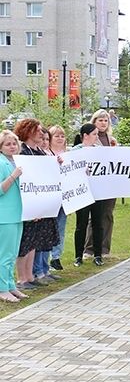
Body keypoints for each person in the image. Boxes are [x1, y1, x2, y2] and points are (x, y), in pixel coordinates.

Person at [15, 120, 59, 287]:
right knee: (25, 242)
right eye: (37, 130)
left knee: (33, 242)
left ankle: (30, 276)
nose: (41, 133)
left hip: (39, 203)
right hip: (28, 202)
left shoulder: (40, 151)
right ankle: (21, 278)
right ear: (28, 131)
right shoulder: (23, 152)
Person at [84, 109, 117, 258]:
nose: (103, 123)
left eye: (106, 120)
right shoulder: (90, 139)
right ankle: (90, 248)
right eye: (100, 120)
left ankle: (104, 248)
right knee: (94, 216)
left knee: (108, 214)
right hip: (94, 183)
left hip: (110, 183)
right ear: (94, 121)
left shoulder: (112, 140)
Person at [71, 124, 105, 267]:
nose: (97, 137)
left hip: (97, 191)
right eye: (95, 134)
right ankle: (78, 255)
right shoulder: (75, 151)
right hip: (82, 192)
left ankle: (98, 254)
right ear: (85, 135)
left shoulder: (100, 151)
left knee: (98, 224)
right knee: (81, 224)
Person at [0, 130, 26, 302]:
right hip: (5, 215)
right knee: (5, 254)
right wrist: (13, 176)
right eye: (7, 144)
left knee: (13, 252)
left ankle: (10, 285)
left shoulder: (19, 161)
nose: (12, 147)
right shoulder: (2, 163)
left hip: (18, 214)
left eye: (14, 143)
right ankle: (2, 289)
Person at [46, 125, 69, 271]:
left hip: (64, 196)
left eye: (62, 136)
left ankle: (56, 257)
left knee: (61, 226)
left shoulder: (68, 154)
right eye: (56, 136)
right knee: (49, 227)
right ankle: (46, 257)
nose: (60, 138)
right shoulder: (46, 154)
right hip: (50, 196)